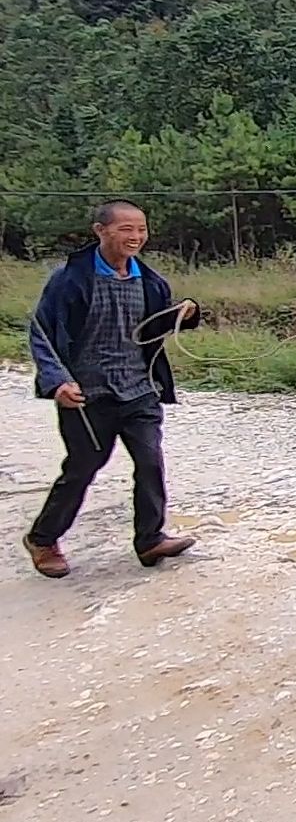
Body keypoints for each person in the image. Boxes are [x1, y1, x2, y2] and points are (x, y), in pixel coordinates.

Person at [21, 199, 204, 578]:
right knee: (84, 467)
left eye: (141, 229)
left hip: (138, 389)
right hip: (87, 394)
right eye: (126, 229)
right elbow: (42, 332)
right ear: (100, 231)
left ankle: (150, 539)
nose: (136, 236)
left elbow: (153, 327)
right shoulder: (70, 279)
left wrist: (184, 313)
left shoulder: (150, 281)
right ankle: (43, 538)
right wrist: (57, 382)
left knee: (150, 461)